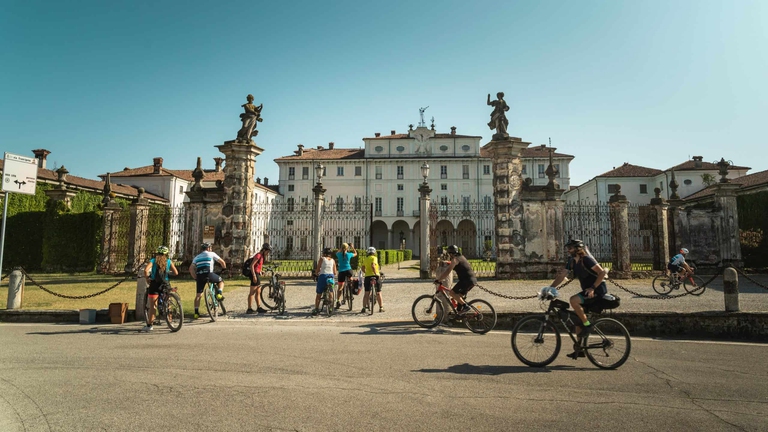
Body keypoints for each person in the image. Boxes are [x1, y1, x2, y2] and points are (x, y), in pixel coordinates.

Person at [548, 239, 608, 358]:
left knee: (573, 300)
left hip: (597, 290)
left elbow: (602, 273)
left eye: (570, 248)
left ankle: (587, 325)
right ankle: (579, 349)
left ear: (577, 248)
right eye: (568, 248)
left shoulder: (586, 260)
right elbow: (562, 276)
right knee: (577, 321)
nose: (568, 250)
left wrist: (592, 288)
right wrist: (550, 288)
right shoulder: (571, 262)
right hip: (587, 291)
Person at [142, 246, 179, 332]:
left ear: (157, 253)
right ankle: (170, 322)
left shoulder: (153, 261)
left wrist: (147, 278)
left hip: (154, 284)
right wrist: (168, 273)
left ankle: (150, 325)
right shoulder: (168, 261)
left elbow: (146, 270)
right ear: (166, 254)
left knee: (153, 306)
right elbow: (176, 272)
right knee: (168, 304)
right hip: (165, 284)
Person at [188, 242, 227, 319]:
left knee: (198, 295)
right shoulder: (211, 254)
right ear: (208, 248)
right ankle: (219, 293)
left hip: (200, 276)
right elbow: (222, 262)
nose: (211, 249)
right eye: (210, 247)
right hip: (209, 274)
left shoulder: (197, 257)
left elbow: (191, 269)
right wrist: (224, 269)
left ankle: (196, 313)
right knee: (221, 281)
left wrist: (195, 277)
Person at [435, 245, 477, 315]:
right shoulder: (461, 257)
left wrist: (439, 279)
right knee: (459, 296)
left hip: (466, 280)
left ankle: (465, 306)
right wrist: (449, 263)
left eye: (449, 254)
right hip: (472, 280)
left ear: (451, 254)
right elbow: (456, 264)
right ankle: (459, 313)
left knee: (452, 293)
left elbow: (448, 271)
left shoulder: (455, 260)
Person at [247, 243, 272, 314]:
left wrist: (261, 271)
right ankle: (249, 308)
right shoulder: (258, 255)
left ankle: (258, 307)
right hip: (254, 275)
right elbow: (252, 266)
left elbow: (258, 266)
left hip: (257, 274)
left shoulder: (262, 257)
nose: (268, 253)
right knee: (252, 292)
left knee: (258, 292)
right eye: (267, 251)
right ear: (264, 250)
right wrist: (254, 276)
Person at [313, 247, 337, 316]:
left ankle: (316, 309)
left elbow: (318, 269)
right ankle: (331, 308)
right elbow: (335, 272)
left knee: (319, 294)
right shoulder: (333, 260)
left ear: (324, 253)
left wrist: (316, 273)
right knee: (331, 292)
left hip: (323, 276)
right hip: (331, 276)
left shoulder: (322, 259)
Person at [360, 247, 384, 313]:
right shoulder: (374, 258)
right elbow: (373, 265)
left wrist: (366, 272)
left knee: (366, 293)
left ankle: (364, 308)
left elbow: (362, 268)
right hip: (375, 276)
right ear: (374, 252)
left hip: (368, 277)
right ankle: (381, 307)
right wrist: (375, 273)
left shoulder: (366, 259)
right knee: (378, 292)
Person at [335, 243, 357, 309]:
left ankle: (338, 301)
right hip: (348, 270)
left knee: (340, 287)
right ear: (347, 248)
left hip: (341, 271)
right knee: (351, 278)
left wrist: (341, 248)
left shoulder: (338, 254)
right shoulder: (349, 254)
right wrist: (353, 247)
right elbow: (356, 253)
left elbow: (337, 252)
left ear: (341, 248)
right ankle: (351, 288)